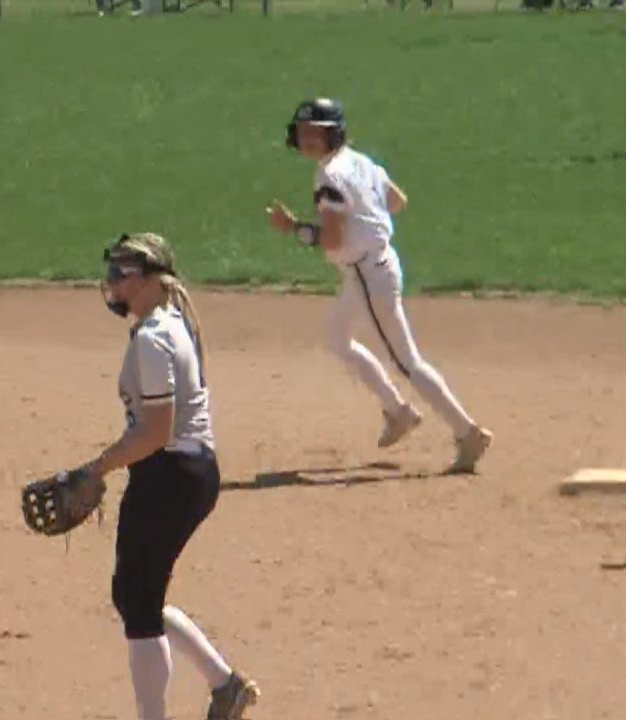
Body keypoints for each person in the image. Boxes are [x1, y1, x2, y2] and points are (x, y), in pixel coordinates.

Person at [71, 232, 260, 720]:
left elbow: (155, 431)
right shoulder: (165, 323)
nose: (111, 282)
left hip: (171, 473)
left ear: (151, 279)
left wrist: (95, 469)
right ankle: (226, 686)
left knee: (139, 603)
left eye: (121, 273)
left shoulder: (155, 339)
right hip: (180, 471)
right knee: (136, 596)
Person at [266, 98, 493, 474]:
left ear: (331, 133)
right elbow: (397, 201)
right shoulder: (361, 162)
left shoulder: (329, 178)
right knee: (338, 338)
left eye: (315, 132)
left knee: (408, 362)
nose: (307, 139)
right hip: (374, 267)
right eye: (303, 132)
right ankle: (398, 411)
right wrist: (368, 220)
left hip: (368, 275)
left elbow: (333, 241)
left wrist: (293, 229)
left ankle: (467, 432)